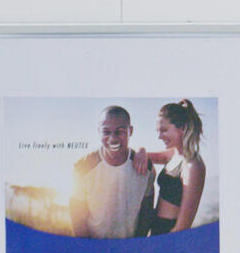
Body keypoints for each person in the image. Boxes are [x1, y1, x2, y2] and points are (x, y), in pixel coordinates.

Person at [71, 107, 154, 240]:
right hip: (95, 247)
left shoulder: (146, 167)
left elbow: (146, 213)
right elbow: (77, 218)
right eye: (106, 132)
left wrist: (136, 246)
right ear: (99, 132)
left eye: (120, 131)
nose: (113, 138)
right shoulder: (83, 167)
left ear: (130, 131)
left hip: (129, 248)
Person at [134, 100, 207, 235]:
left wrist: (165, 244)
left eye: (164, 130)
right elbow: (142, 156)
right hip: (156, 227)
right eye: (158, 131)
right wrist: (141, 149)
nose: (159, 136)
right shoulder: (174, 154)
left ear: (183, 128)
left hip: (170, 233)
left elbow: (184, 225)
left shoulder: (192, 166)